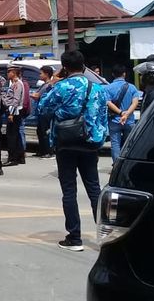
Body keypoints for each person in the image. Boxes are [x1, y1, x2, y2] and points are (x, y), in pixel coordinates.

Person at [38, 50, 108, 252]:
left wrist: (53, 82)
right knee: (94, 190)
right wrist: (98, 139)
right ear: (83, 65)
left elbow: (42, 108)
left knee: (69, 191)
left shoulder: (61, 86)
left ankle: (74, 238)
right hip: (89, 144)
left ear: (65, 68)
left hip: (66, 143)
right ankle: (105, 238)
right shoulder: (96, 88)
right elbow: (102, 117)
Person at [104, 64, 140, 164]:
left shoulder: (107, 88)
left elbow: (108, 103)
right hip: (129, 120)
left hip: (114, 120)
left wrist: (120, 113)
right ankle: (127, 165)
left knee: (115, 144)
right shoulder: (132, 87)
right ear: (124, 74)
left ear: (112, 74)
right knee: (129, 144)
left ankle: (116, 166)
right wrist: (127, 114)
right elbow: (135, 102)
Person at [2, 67, 26, 166]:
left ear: (14, 73)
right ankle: (19, 157)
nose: (7, 74)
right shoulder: (14, 83)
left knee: (11, 135)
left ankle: (13, 158)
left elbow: (16, 100)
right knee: (15, 135)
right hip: (14, 111)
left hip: (14, 112)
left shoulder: (17, 84)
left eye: (9, 72)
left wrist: (11, 113)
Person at [31, 66, 55, 158]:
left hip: (46, 112)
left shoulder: (48, 85)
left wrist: (34, 95)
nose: (39, 75)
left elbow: (37, 95)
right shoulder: (44, 84)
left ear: (47, 74)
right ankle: (42, 150)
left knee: (45, 132)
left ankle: (48, 151)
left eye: (41, 73)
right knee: (40, 131)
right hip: (41, 111)